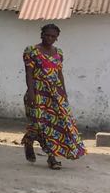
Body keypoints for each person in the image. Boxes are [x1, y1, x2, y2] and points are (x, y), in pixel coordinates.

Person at [22, 23, 86, 170]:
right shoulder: (32, 51)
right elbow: (29, 74)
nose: (49, 38)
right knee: (39, 124)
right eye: (47, 35)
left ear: (57, 38)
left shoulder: (59, 53)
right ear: (41, 34)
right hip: (38, 92)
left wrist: (63, 93)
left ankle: (52, 158)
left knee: (54, 126)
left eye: (53, 36)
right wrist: (31, 92)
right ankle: (29, 142)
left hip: (55, 94)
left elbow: (59, 74)